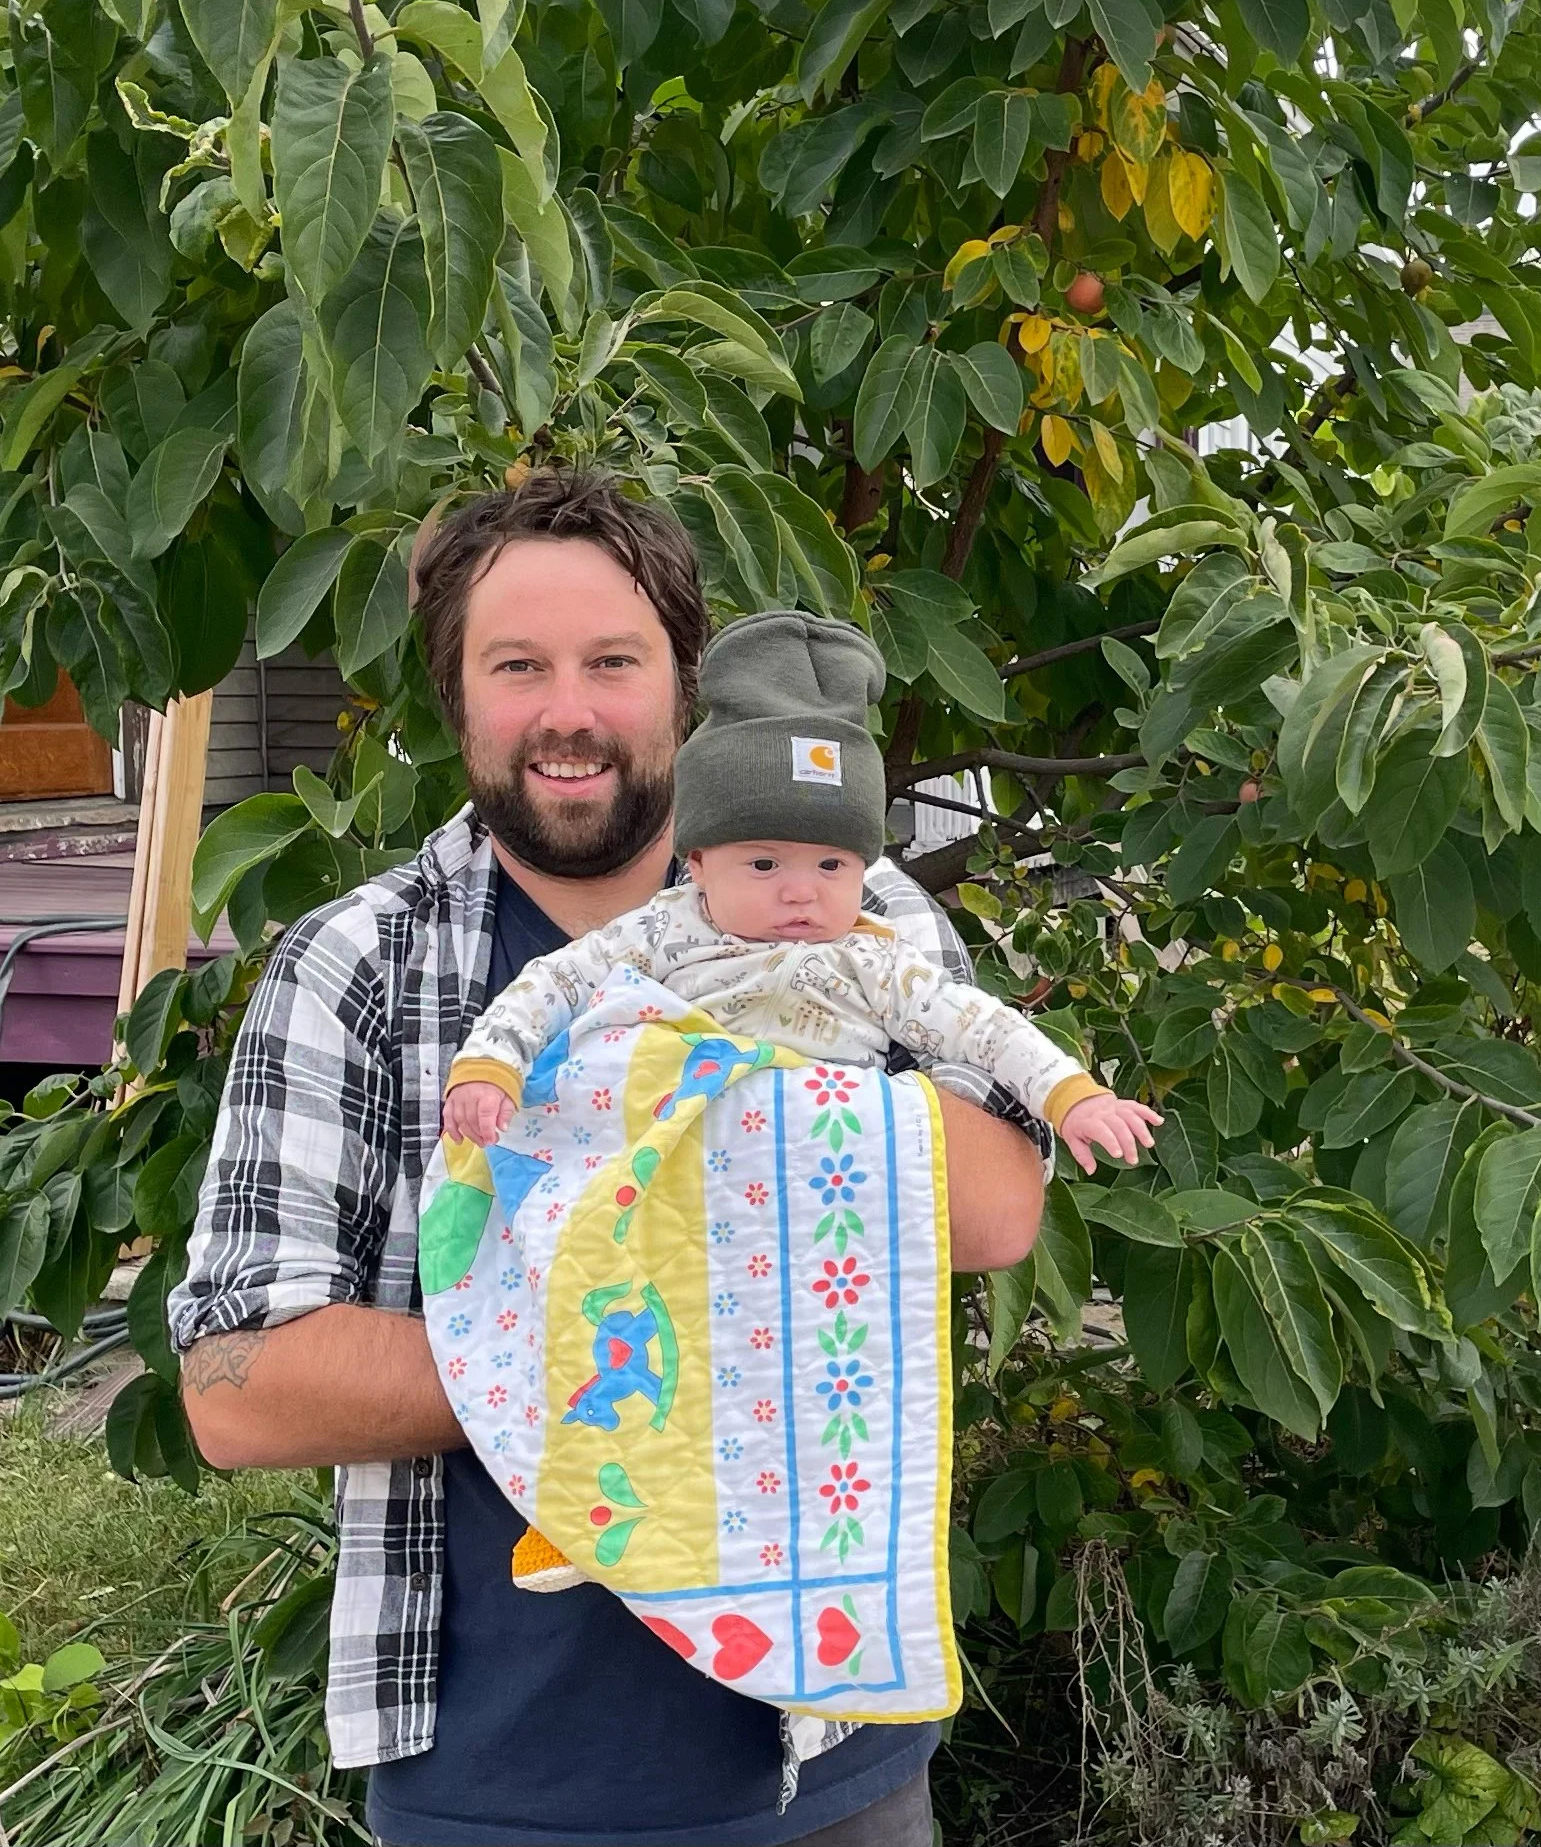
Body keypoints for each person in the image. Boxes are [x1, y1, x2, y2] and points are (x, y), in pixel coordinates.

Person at [171, 469, 1051, 1847]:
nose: (567, 711)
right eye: (516, 665)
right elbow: (236, 1388)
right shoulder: (353, 964)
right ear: (454, 696)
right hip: (499, 1788)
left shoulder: (846, 907)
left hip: (832, 1764)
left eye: (613, 662)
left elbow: (999, 1209)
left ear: (686, 690)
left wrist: (782, 1013)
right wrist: (638, 1336)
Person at [439, 611, 1158, 1599]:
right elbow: (549, 988)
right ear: (695, 861)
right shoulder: (661, 933)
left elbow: (978, 1027)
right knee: (608, 1326)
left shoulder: (869, 955)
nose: (799, 894)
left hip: (809, 1202)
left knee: (801, 1387)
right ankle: (584, 1511)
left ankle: (793, 1558)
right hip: (670, 1187)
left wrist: (1069, 1093)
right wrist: (488, 1066)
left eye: (830, 865)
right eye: (763, 864)